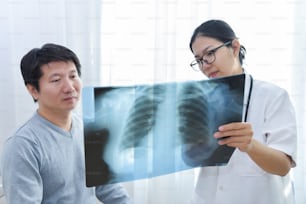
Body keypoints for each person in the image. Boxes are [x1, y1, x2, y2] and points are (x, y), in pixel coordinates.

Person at [0, 43, 133, 204]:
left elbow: (108, 189)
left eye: (73, 76)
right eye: (56, 80)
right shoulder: (22, 145)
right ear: (33, 90)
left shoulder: (89, 128)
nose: (69, 87)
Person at [187, 19, 297, 204]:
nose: (205, 65)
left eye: (210, 53)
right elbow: (192, 159)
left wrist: (250, 145)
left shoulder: (273, 96)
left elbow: (283, 166)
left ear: (235, 47)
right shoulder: (200, 102)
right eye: (199, 60)